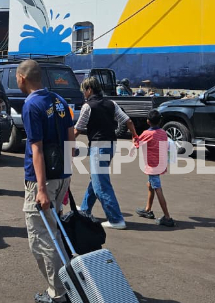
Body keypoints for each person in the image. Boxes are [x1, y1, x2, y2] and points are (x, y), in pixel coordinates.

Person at [17, 59, 75, 303]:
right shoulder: (59, 100)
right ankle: (70, 284)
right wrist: (66, 178)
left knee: (41, 239)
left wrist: (41, 189)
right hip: (61, 175)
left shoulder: (31, 105)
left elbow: (37, 148)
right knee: (55, 233)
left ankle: (59, 293)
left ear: (22, 78)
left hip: (43, 180)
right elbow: (71, 139)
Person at [74, 76, 137, 230]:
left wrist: (65, 142)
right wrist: (135, 136)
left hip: (98, 146)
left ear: (89, 90)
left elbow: (78, 128)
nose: (83, 93)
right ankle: (84, 209)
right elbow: (127, 120)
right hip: (111, 145)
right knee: (96, 179)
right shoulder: (111, 103)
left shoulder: (88, 106)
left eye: (84, 90)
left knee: (101, 184)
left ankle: (116, 219)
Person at [134, 110, 175, 227]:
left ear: (148, 121)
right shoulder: (163, 132)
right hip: (160, 164)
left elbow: (137, 144)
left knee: (157, 188)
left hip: (152, 166)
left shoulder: (147, 133)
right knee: (150, 185)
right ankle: (147, 209)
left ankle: (167, 217)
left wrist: (134, 136)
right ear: (160, 121)